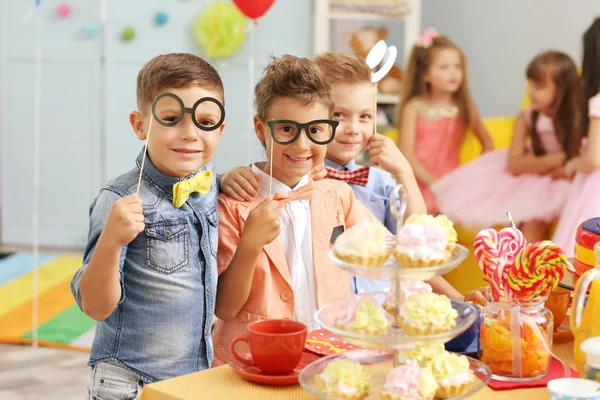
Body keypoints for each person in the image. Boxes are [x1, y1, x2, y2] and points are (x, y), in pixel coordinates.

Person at [70, 53, 226, 398]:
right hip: (131, 382)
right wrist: (111, 240)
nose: (190, 133)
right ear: (140, 124)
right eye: (171, 118)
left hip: (193, 379)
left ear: (220, 128)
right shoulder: (119, 199)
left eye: (205, 121)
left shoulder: (214, 185)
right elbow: (95, 307)